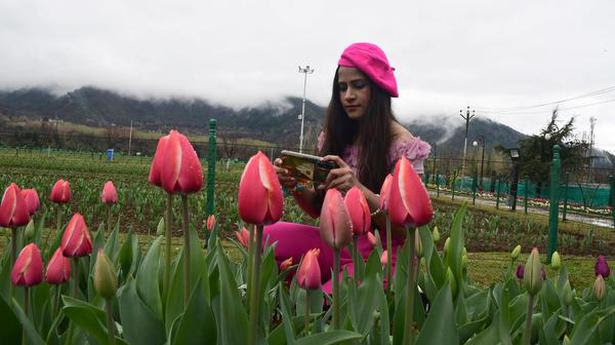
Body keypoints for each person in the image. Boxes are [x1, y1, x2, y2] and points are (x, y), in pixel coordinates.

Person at [264, 42, 431, 292]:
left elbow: (408, 228)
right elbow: (320, 210)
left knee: (332, 304)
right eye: (342, 88)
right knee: (266, 237)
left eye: (358, 85)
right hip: (340, 243)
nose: (348, 96)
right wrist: (297, 185)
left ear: (378, 87)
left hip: (384, 253)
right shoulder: (336, 137)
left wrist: (357, 189)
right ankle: (296, 297)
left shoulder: (403, 147)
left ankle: (333, 292)